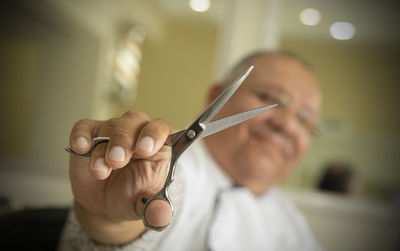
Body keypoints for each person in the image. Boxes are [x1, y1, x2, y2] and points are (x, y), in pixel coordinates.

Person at [59, 51, 322, 250]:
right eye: (269, 99)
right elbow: (140, 202)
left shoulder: (293, 223)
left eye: (305, 120)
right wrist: (106, 220)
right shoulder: (167, 171)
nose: (286, 123)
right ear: (215, 97)